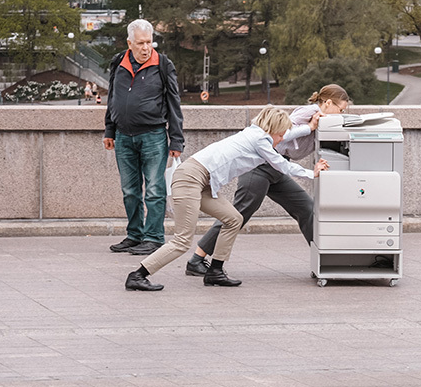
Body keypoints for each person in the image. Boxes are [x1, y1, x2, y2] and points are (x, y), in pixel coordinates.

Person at [124, 106, 330, 291]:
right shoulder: (260, 140)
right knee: (182, 240)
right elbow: (282, 165)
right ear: (273, 130)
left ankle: (215, 271)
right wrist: (313, 173)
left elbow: (286, 136)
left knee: (233, 219)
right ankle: (138, 275)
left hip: (203, 182)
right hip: (190, 179)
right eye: (281, 134)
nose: (282, 139)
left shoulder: (256, 133)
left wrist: (309, 127)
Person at [184, 84, 349, 277]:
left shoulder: (327, 121)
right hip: (260, 167)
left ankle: (322, 262)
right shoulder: (308, 113)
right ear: (328, 103)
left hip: (277, 169)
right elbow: (280, 133)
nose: (341, 114)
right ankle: (196, 259)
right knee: (239, 213)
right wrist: (309, 127)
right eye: (340, 109)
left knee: (306, 208)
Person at [104, 19, 184, 256]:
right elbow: (112, 97)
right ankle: (135, 235)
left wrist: (176, 139)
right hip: (123, 136)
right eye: (140, 43)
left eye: (149, 42)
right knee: (129, 191)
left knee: (154, 190)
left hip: (153, 136)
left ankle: (153, 237)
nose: (145, 47)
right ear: (130, 43)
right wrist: (109, 130)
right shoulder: (118, 62)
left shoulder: (163, 64)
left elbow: (174, 103)